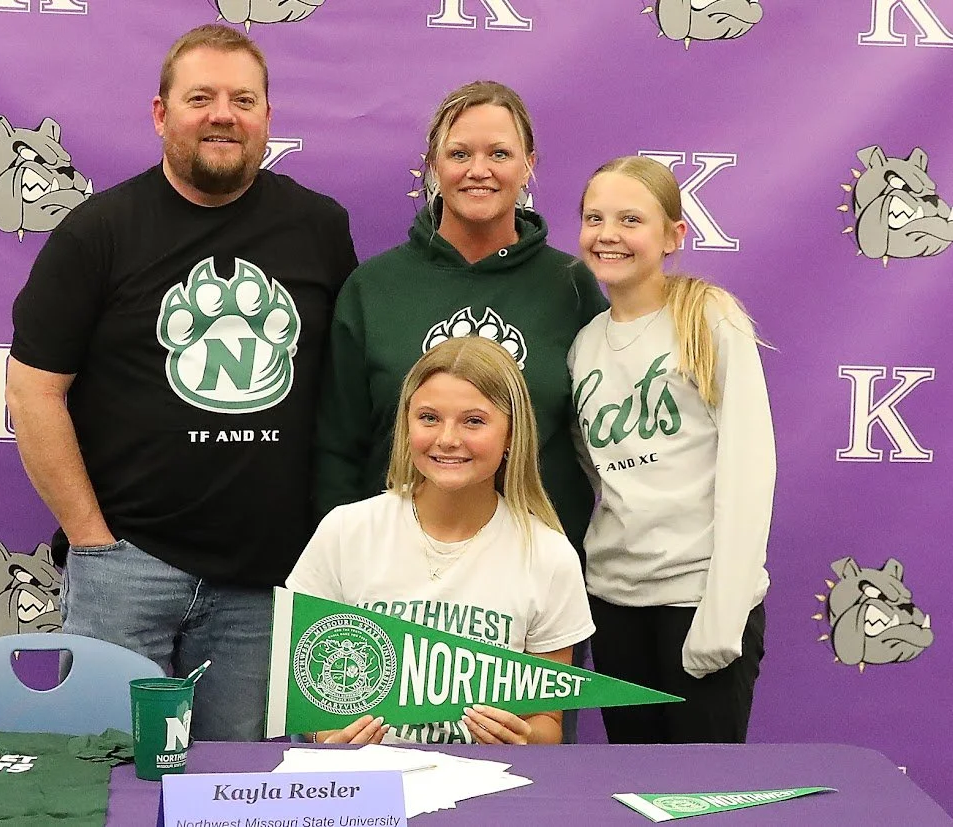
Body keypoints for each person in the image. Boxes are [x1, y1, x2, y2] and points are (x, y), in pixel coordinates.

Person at [5, 24, 357, 742]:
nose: (223, 115)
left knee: (241, 785)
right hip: (127, 565)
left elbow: (345, 389)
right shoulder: (96, 233)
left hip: (266, 578)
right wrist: (93, 541)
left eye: (243, 100)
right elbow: (32, 390)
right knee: (107, 773)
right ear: (161, 113)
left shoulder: (319, 227)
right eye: (201, 98)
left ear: (267, 116)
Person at [313, 80, 606, 556]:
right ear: (433, 165)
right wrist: (343, 558)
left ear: (529, 165)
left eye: (499, 154)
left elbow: (604, 446)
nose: (479, 170)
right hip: (395, 569)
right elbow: (337, 450)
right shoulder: (374, 288)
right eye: (459, 154)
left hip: (532, 569)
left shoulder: (571, 287)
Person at [288, 337, 594, 745]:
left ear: (511, 434)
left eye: (474, 421)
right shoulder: (345, 532)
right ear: (406, 425)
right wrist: (331, 737)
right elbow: (306, 705)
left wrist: (523, 742)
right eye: (429, 418)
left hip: (488, 781)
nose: (447, 439)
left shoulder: (549, 556)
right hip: (366, 783)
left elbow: (547, 722)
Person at [568, 156, 775, 745]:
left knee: (703, 787)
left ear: (672, 235)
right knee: (635, 780)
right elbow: (599, 475)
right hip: (614, 601)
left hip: (697, 597)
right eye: (594, 218)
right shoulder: (585, 344)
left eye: (630, 219)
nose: (608, 234)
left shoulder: (709, 318)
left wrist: (725, 608)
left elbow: (749, 466)